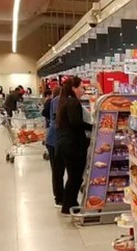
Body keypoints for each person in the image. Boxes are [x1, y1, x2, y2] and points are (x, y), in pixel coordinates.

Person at [56, 77, 92, 215]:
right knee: (75, 177)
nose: (83, 90)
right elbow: (76, 122)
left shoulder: (65, 101)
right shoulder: (72, 102)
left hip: (66, 144)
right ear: (73, 88)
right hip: (72, 145)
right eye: (82, 87)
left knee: (73, 176)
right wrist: (94, 127)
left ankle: (71, 203)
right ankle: (68, 206)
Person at [45, 86, 65, 207]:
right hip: (55, 140)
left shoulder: (57, 99)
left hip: (55, 139)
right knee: (58, 171)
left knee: (58, 170)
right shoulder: (59, 100)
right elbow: (60, 119)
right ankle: (59, 198)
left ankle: (61, 196)